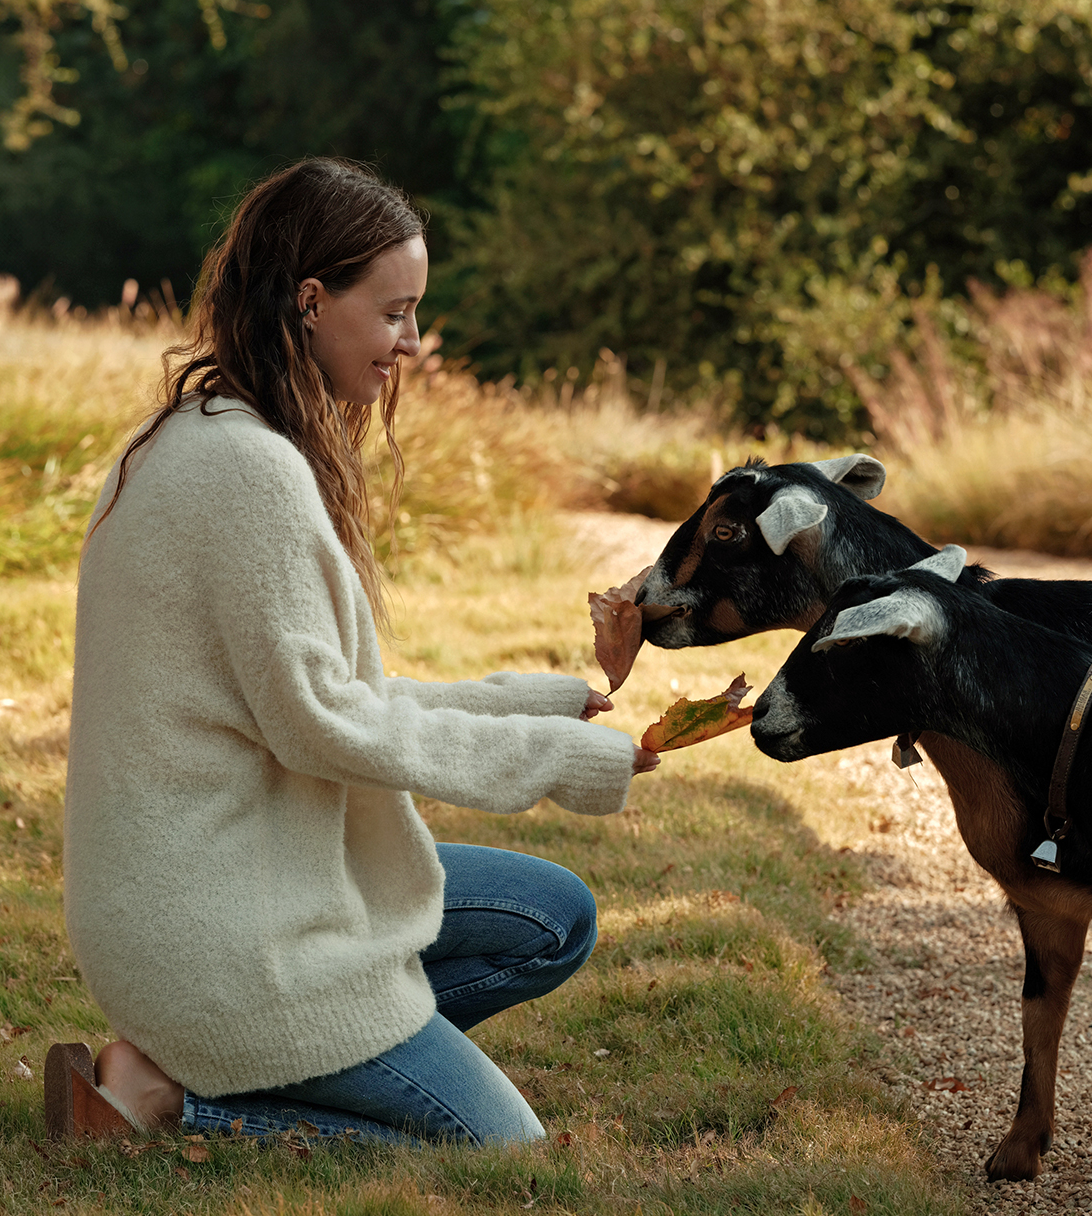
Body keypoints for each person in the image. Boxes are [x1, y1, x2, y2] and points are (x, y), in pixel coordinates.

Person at [50, 156, 655, 1148]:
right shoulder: (247, 470)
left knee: (551, 915)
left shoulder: (195, 439)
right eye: (394, 313)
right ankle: (177, 1100)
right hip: (224, 940)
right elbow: (323, 724)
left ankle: (253, 1061)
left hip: (199, 894)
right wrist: (558, 764)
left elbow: (318, 696)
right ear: (310, 300)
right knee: (506, 1153)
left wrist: (533, 706)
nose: (410, 344)